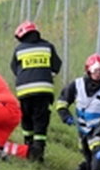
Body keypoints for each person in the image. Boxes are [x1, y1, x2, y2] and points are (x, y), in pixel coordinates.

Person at [56, 53, 100, 170]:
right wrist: (65, 116)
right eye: (95, 70)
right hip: (82, 129)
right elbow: (62, 102)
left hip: (99, 129)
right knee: (87, 154)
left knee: (99, 153)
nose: (98, 73)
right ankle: (84, 169)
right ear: (88, 70)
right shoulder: (77, 85)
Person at [10, 20, 62, 162]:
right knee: (40, 119)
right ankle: (39, 151)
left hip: (24, 91)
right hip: (43, 90)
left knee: (26, 118)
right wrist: (45, 74)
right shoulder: (48, 46)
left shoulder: (19, 50)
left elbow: (14, 68)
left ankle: (28, 147)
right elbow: (57, 66)